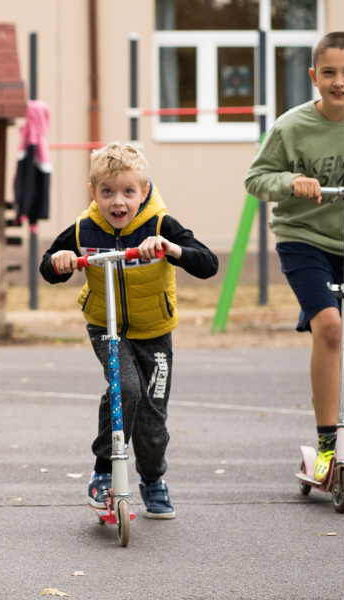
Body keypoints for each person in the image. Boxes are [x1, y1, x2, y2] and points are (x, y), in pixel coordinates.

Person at [40, 142, 218, 520]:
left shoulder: (159, 225)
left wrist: (170, 248)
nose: (117, 202)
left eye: (127, 192)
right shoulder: (83, 228)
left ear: (144, 190)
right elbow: (47, 269)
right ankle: (103, 472)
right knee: (126, 389)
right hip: (107, 328)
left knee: (153, 420)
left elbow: (208, 264)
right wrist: (58, 262)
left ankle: (152, 480)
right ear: (94, 193)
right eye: (107, 192)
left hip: (154, 332)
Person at [245, 31, 344, 483]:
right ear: (313, 77)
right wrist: (290, 182)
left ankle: (331, 415)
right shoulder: (292, 126)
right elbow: (257, 179)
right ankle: (331, 439)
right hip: (301, 237)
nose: (339, 82)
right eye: (329, 72)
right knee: (329, 327)